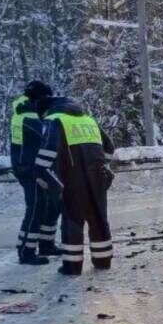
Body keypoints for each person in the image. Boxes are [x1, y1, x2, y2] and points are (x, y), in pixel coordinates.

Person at [34, 97, 116, 276]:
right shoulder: (89, 120)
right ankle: (103, 261)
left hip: (73, 178)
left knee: (73, 222)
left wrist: (50, 180)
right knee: (99, 219)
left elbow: (44, 158)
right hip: (98, 176)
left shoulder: (55, 120)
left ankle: (72, 266)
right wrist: (101, 165)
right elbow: (109, 147)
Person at [10, 81, 59, 265]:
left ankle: (46, 244)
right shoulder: (30, 117)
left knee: (50, 204)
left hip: (29, 165)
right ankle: (26, 251)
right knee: (36, 207)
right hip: (30, 168)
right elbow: (48, 138)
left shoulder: (24, 112)